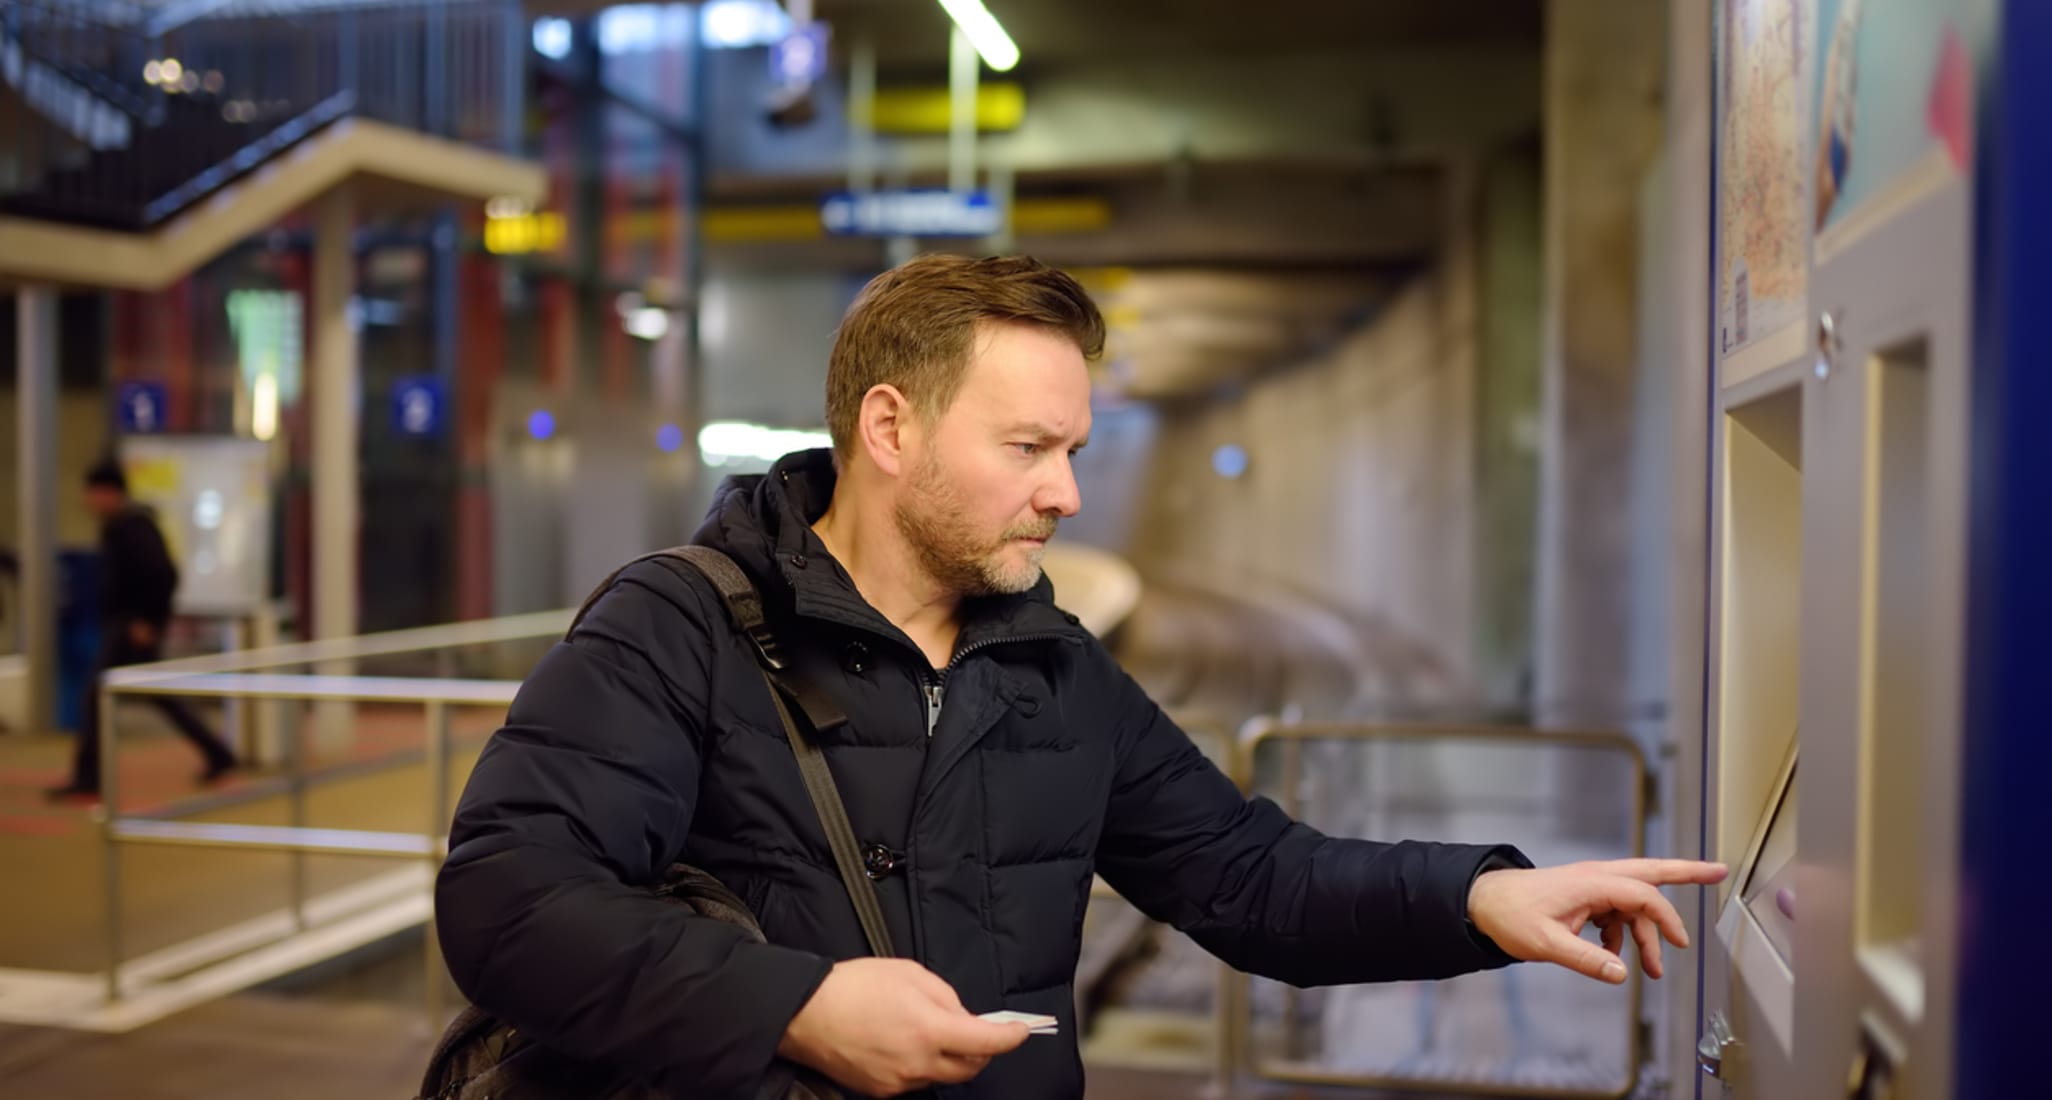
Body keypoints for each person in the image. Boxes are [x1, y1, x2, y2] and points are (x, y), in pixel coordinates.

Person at [435, 254, 1726, 1100]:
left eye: (1077, 449)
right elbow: (506, 899)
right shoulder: (679, 630)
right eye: (1029, 447)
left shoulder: (1054, 672)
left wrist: (1483, 898)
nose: (1066, 491)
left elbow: (1251, 878)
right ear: (890, 429)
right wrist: (800, 1008)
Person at [47, 460, 238, 800]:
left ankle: (89, 777)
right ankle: (217, 753)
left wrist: (148, 621)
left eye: (92, 493)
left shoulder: (130, 527)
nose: (88, 500)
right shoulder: (128, 525)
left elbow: (162, 574)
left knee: (97, 697)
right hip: (129, 624)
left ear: (108, 492)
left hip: (129, 627)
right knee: (153, 696)